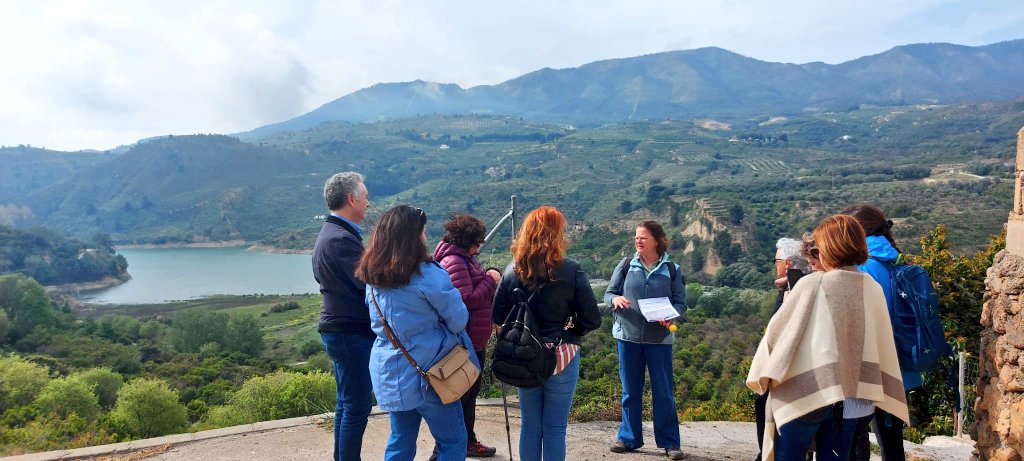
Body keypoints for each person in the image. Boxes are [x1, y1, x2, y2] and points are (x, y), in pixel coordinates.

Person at [746, 215, 909, 461]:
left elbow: (778, 337)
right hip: (856, 401)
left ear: (829, 247)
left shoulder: (813, 284)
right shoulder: (871, 287)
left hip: (809, 393)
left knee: (788, 455)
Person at [356, 205, 479, 461]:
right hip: (432, 372)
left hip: (391, 373)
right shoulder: (428, 275)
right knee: (453, 440)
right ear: (414, 236)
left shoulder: (373, 278)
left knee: (400, 440)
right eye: (422, 231)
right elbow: (458, 320)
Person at [492, 206, 602, 461]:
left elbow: (498, 316)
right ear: (557, 234)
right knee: (554, 429)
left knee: (530, 426)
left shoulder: (511, 271)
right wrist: (571, 328)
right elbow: (592, 319)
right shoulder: (571, 269)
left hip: (525, 357)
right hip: (562, 354)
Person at [604, 220, 687, 460]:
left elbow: (681, 304)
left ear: (657, 241)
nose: (637, 241)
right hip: (627, 337)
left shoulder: (672, 270)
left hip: (659, 340)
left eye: (643, 237)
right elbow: (609, 293)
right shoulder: (626, 265)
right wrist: (615, 300)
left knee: (664, 392)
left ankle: (670, 443)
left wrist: (671, 315)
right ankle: (628, 438)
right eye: (636, 237)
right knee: (630, 390)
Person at [842, 204, 916, 461]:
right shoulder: (891, 258)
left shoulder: (866, 266)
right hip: (896, 361)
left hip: (869, 365)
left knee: (852, 438)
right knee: (891, 441)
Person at [312, 172, 372, 461]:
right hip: (350, 332)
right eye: (366, 197)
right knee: (357, 406)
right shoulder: (342, 240)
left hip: (339, 330)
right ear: (351, 199)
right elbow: (367, 283)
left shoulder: (330, 234)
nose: (368, 203)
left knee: (346, 403)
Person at [433, 213, 502, 458]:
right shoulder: (454, 261)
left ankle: (465, 442)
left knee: (468, 395)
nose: (478, 247)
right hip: (465, 341)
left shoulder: (465, 259)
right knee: (461, 396)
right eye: (477, 242)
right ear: (467, 240)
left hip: (473, 339)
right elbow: (466, 299)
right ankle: (449, 448)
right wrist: (491, 279)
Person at [755, 237, 811, 461]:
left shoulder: (798, 288)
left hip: (790, 363)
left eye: (776, 260)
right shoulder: (789, 285)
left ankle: (768, 454)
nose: (775, 264)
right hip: (786, 360)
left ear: (787, 263)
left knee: (765, 401)